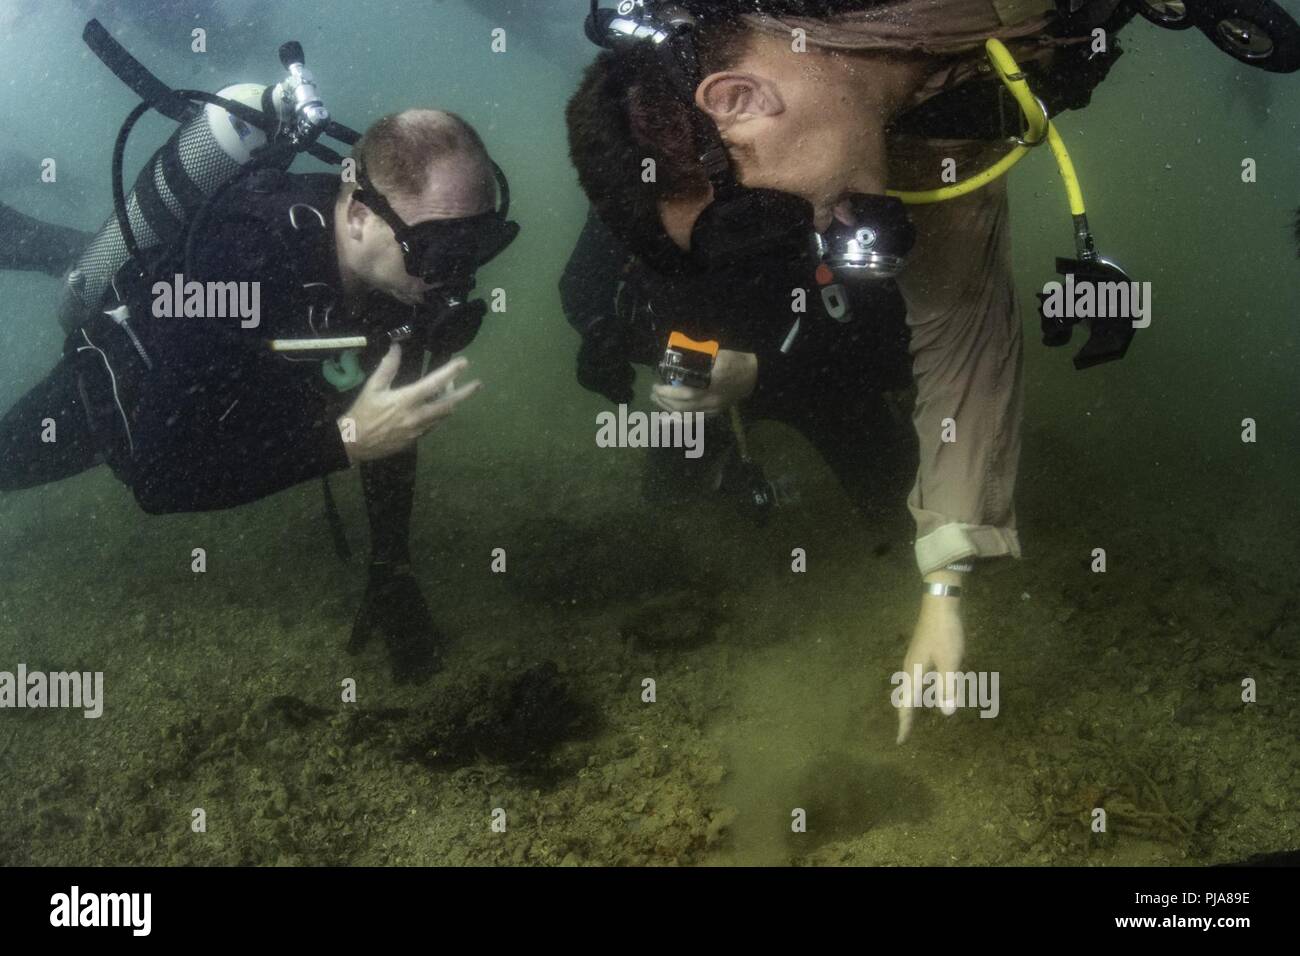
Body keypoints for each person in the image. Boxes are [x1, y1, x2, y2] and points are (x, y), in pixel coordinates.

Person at [562, 0, 1146, 742]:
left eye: (748, 225)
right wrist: (943, 588)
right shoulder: (917, 148)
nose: (802, 241)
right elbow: (959, 332)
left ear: (739, 101)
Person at [0, 108, 518, 683]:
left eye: (482, 245)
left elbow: (389, 421)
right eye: (440, 249)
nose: (458, 275)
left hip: (251, 387)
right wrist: (343, 442)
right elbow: (157, 479)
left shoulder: (405, 276)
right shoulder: (242, 260)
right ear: (356, 215)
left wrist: (390, 564)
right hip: (122, 390)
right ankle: (25, 239)